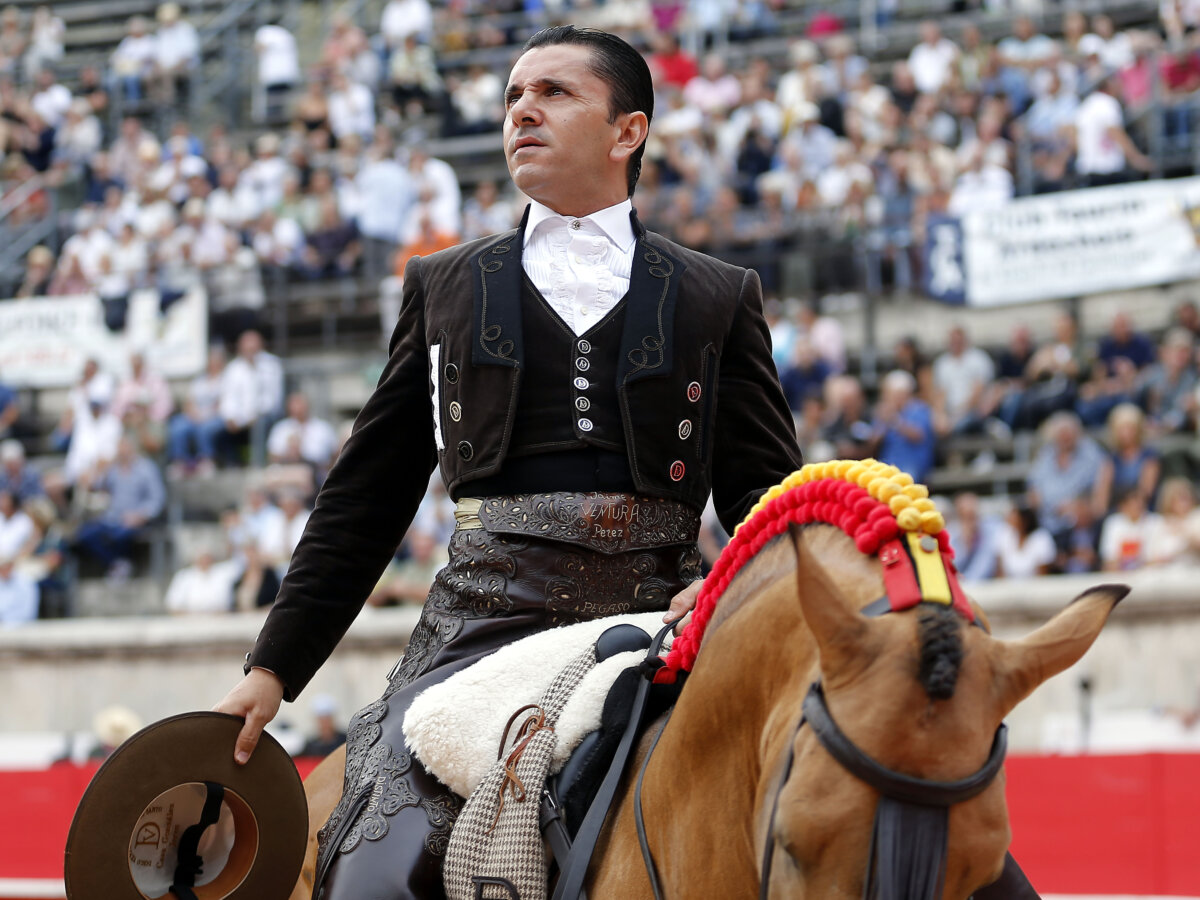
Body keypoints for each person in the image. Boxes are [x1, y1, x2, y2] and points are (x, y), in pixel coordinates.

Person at [215, 26, 803, 900]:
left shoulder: (719, 294)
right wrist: (272, 668)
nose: (521, 109)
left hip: (658, 624)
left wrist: (729, 584)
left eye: (555, 93)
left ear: (627, 131)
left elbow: (771, 497)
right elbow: (368, 493)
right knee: (378, 872)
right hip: (480, 626)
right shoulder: (444, 284)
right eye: (512, 97)